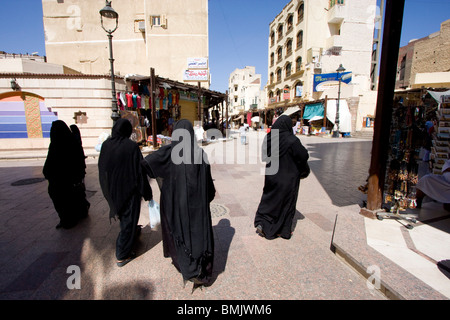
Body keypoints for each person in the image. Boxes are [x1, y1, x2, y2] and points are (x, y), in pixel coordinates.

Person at [141, 119, 216, 290]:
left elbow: (146, 163)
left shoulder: (168, 152)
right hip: (197, 206)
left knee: (178, 231)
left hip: (175, 205)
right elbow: (208, 185)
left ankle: (185, 265)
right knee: (197, 234)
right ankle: (199, 268)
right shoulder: (200, 154)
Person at [98, 118, 152, 267]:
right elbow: (140, 171)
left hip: (113, 191)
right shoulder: (131, 146)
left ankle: (133, 232)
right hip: (130, 192)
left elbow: (102, 169)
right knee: (127, 222)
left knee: (125, 218)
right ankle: (122, 254)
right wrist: (147, 192)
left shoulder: (106, 145)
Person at [254, 115, 310, 240]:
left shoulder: (269, 138)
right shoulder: (292, 140)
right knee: (285, 203)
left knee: (269, 198)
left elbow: (264, 156)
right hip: (287, 177)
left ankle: (262, 222)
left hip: (271, 176)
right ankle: (281, 230)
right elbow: (303, 155)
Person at [43, 120, 89, 229]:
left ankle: (70, 218)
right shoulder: (60, 143)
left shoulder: (65, 143)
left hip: (67, 179)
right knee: (66, 198)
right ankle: (68, 218)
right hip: (63, 179)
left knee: (66, 198)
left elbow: (77, 159)